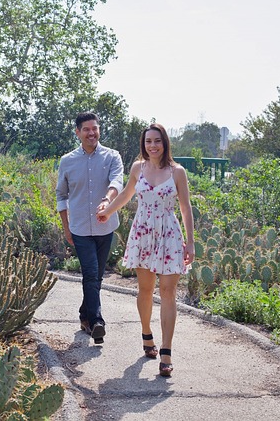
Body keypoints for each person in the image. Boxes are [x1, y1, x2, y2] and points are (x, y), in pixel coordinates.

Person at [97, 123, 194, 376]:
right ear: (144, 144)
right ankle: (146, 334)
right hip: (142, 233)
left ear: (165, 144)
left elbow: (185, 208)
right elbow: (127, 194)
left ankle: (167, 351)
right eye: (149, 141)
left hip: (169, 235)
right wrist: (107, 211)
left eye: (157, 141)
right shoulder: (137, 168)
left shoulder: (177, 172)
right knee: (146, 290)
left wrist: (191, 241)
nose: (153, 145)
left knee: (168, 291)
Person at [56, 111, 124, 344]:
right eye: (86, 129)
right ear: (78, 132)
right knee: (91, 273)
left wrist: (107, 200)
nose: (91, 133)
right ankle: (97, 321)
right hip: (80, 228)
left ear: (99, 130)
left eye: (94, 128)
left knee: (96, 276)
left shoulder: (112, 156)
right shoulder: (67, 161)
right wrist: (66, 227)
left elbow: (117, 182)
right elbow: (61, 196)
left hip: (106, 227)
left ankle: (85, 315)